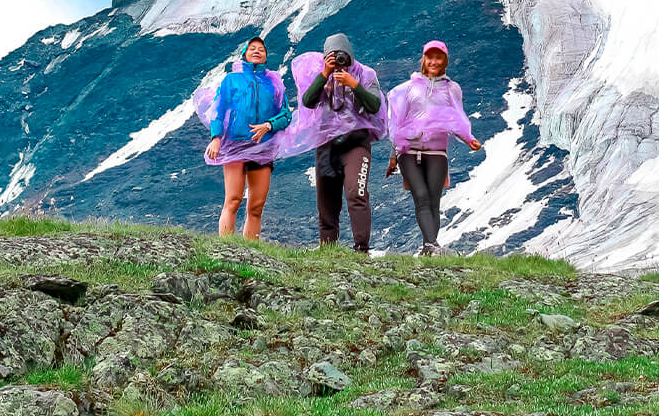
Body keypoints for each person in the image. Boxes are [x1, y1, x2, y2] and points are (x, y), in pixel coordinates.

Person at [384, 41, 483, 255]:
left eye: (439, 58)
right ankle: (431, 244)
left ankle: (429, 248)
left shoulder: (452, 89)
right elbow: (399, 122)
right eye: (430, 57)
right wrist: (393, 156)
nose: (434, 62)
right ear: (424, 59)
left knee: (433, 200)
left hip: (437, 151)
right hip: (408, 151)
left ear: (445, 61)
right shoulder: (410, 88)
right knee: (420, 195)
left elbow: (456, 118)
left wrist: (468, 139)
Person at [298, 33, 386, 252]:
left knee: (356, 193)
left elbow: (375, 105)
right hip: (326, 146)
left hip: (356, 144)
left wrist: (353, 84)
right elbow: (307, 101)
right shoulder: (320, 74)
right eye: (333, 55)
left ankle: (361, 249)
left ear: (350, 55)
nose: (338, 60)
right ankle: (328, 250)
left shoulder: (365, 74)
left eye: (342, 55)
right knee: (326, 202)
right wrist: (324, 75)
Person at [202, 37, 292, 239]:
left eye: (261, 49)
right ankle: (226, 248)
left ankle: (251, 251)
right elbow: (218, 110)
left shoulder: (274, 83)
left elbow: (286, 114)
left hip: (264, 148)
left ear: (266, 56)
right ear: (244, 54)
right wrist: (216, 138)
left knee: (256, 205)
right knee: (233, 199)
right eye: (252, 48)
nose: (257, 51)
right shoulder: (231, 80)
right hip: (235, 146)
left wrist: (269, 125)